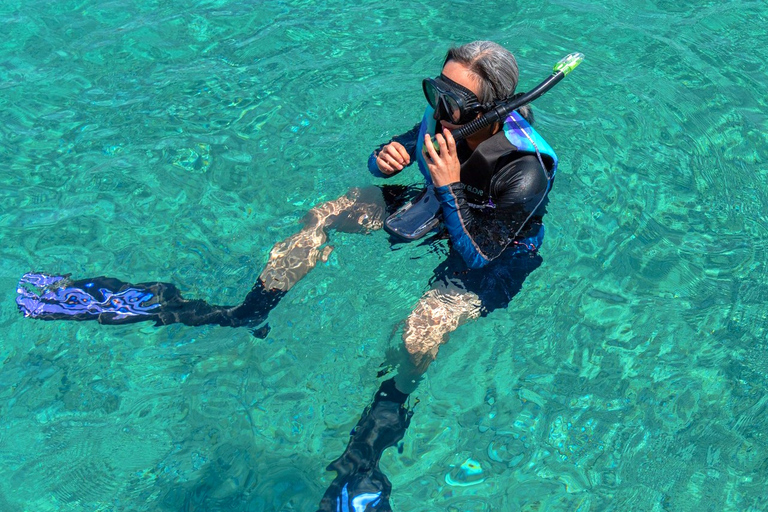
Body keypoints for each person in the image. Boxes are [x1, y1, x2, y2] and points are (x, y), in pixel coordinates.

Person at [16, 41, 558, 511]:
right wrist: (385, 160)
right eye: (434, 90)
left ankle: (367, 447)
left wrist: (446, 186)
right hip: (446, 198)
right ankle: (245, 313)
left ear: (491, 108)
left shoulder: (524, 169)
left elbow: (479, 256)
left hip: (495, 250)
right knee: (323, 214)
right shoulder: (443, 120)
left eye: (455, 102)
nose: (439, 109)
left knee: (422, 329)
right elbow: (387, 160)